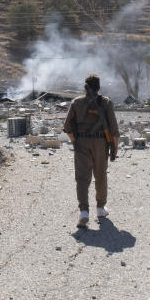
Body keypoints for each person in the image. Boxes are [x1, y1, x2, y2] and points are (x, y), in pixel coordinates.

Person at [63, 74, 119, 228]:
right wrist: (114, 149)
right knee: (100, 175)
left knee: (82, 178)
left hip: (81, 142)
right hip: (101, 143)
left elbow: (67, 127)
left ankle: (84, 212)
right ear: (99, 88)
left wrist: (75, 141)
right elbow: (114, 130)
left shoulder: (76, 102)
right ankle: (101, 209)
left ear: (84, 87)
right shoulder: (106, 102)